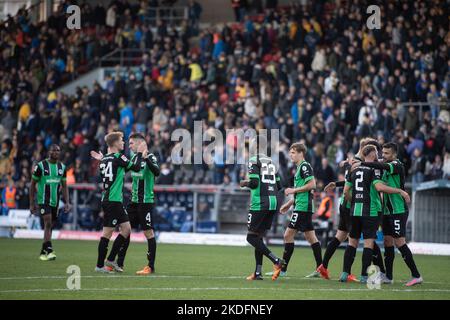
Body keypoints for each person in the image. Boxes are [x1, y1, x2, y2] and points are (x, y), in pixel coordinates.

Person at [354, 142, 423, 286]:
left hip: (398, 210)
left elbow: (381, 166)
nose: (383, 156)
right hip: (387, 211)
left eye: (386, 153)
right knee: (387, 241)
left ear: (394, 154)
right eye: (382, 153)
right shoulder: (383, 164)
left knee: (399, 242)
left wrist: (363, 164)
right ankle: (389, 277)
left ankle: (416, 275)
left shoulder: (397, 165)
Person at [317, 138, 386, 280]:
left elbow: (350, 180)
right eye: (375, 149)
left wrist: (336, 184)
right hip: (353, 206)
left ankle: (325, 265)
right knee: (366, 240)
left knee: (342, 237)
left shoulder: (354, 163)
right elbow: (352, 185)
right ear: (367, 149)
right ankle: (376, 272)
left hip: (350, 205)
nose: (377, 153)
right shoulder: (359, 163)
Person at [340, 145, 410, 283]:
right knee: (368, 244)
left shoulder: (352, 169)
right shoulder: (373, 169)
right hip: (370, 211)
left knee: (352, 242)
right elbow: (379, 187)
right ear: (372, 154)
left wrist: (354, 200)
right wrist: (399, 191)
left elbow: (345, 191)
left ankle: (344, 273)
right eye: (378, 153)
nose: (380, 155)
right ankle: (363, 276)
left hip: (354, 210)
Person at [268, 143, 323, 278]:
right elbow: (304, 191)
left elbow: (312, 185)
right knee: (311, 237)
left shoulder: (304, 166)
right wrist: (289, 203)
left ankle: (283, 270)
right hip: (302, 205)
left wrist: (293, 190)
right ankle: (321, 269)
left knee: (288, 235)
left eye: (293, 152)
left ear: (301, 153)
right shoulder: (300, 167)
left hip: (303, 207)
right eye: (290, 152)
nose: (290, 155)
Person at [94, 131, 145, 273]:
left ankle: (108, 260)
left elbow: (110, 168)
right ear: (115, 143)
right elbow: (136, 167)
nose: (123, 143)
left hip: (109, 199)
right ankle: (101, 264)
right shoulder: (118, 157)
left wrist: (102, 158)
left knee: (121, 230)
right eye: (122, 140)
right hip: (113, 200)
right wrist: (140, 154)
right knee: (112, 232)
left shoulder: (104, 160)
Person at [239, 135, 286, 281]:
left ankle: (276, 261)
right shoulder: (271, 162)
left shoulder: (254, 160)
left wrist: (244, 183)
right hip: (273, 202)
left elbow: (253, 183)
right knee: (258, 237)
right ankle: (257, 273)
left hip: (260, 202)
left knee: (251, 237)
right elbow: (280, 186)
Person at [30, 144, 71, 261]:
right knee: (47, 223)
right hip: (43, 199)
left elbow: (64, 186)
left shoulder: (62, 167)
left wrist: (67, 202)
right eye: (54, 150)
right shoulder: (41, 166)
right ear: (49, 152)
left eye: (58, 151)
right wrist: (32, 203)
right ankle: (50, 250)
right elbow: (32, 184)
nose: (57, 152)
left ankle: (43, 252)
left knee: (50, 226)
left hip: (55, 200)